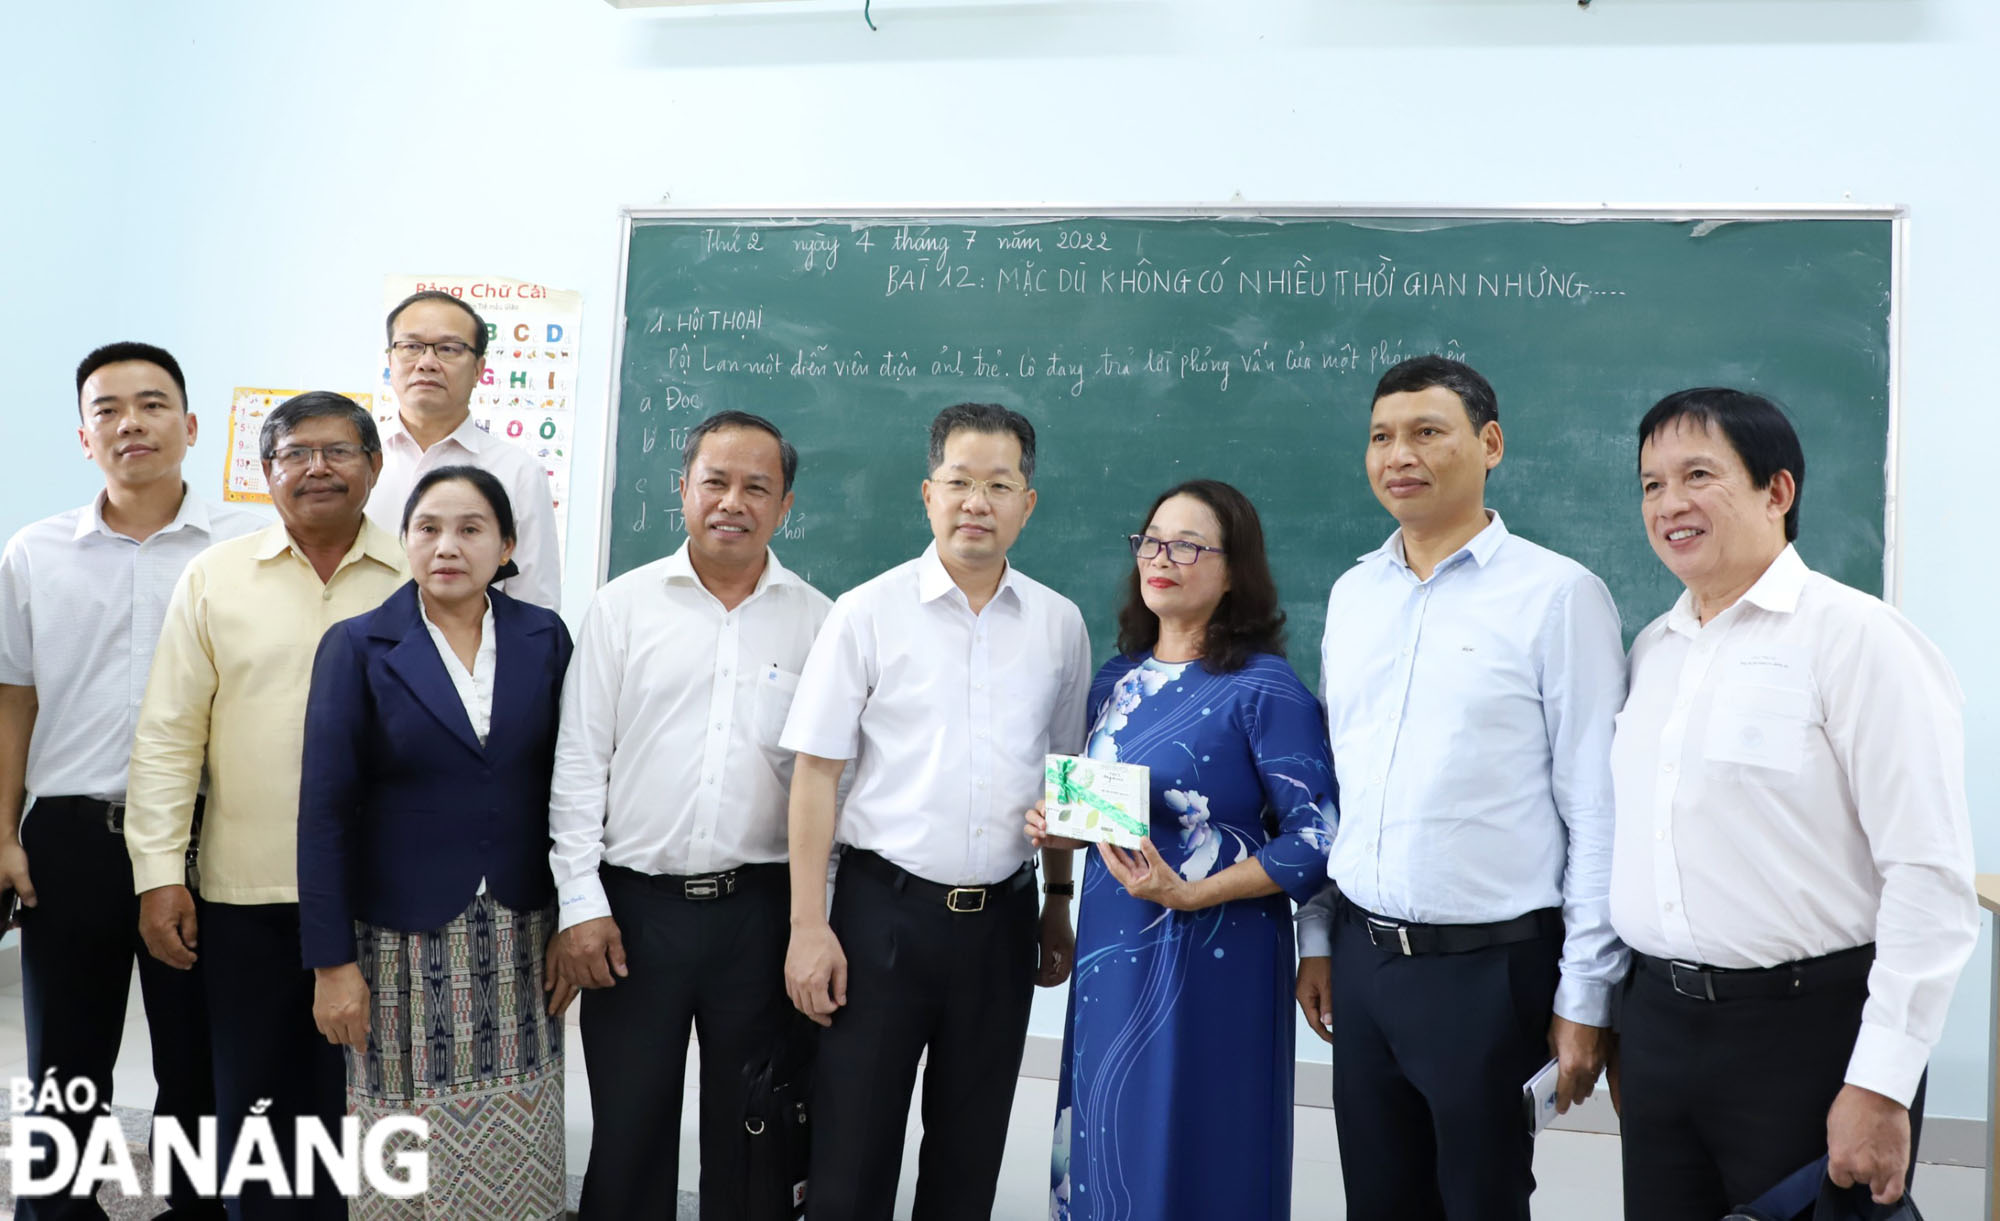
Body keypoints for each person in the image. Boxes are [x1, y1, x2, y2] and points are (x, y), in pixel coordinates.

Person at [1610, 387, 1977, 1216]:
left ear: (1778, 491)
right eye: (1650, 483)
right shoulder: (1652, 651)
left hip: (1806, 1038)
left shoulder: (1860, 640)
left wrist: (1880, 1082)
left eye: (1697, 474)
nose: (1670, 504)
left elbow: (1929, 877)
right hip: (1662, 1028)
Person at [1295, 356, 1627, 1221]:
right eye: (1380, 436)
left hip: (1490, 970)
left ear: (1490, 444)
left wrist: (1584, 996)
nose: (1398, 453)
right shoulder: (1353, 593)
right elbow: (1342, 785)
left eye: (1426, 431)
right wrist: (1319, 935)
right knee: (1377, 1199)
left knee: (1480, 1201)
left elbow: (1598, 809)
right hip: (1365, 965)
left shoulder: (1559, 596)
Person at [780, 402, 1091, 1221]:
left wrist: (1058, 901)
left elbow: (1061, 785)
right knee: (851, 1152)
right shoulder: (867, 611)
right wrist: (808, 927)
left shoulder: (1059, 624)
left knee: (970, 1149)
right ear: (928, 494)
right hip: (883, 916)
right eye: (959, 481)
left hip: (1001, 921)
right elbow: (814, 774)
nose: (976, 502)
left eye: (999, 484)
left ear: (1029, 502)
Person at [126, 391, 408, 1221]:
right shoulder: (215, 577)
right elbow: (170, 734)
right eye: (295, 453)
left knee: (366, 1119)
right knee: (254, 1110)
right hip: (245, 895)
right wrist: (156, 872)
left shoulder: (420, 573)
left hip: (383, 900)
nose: (317, 468)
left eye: (338, 451)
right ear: (265, 472)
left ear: (374, 466)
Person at [0, 342, 262, 1221]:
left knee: (198, 1061)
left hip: (204, 835)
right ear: (84, 436)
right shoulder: (33, 553)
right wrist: (4, 832)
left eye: (152, 405)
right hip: (72, 837)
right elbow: (13, 703)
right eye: (107, 409)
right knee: (64, 1069)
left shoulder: (248, 548)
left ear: (190, 426)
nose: (130, 423)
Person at [547, 411, 831, 1219]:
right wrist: (581, 902)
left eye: (756, 486)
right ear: (683, 490)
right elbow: (577, 768)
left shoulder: (818, 622)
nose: (731, 501)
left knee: (755, 1133)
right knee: (629, 1132)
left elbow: (827, 789)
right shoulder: (622, 607)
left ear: (785, 505)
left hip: (760, 913)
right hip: (633, 915)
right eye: (715, 481)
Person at [1027, 479, 1335, 1221]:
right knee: (1106, 1142)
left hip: (1214, 958)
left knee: (1206, 1149)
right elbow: (1105, 815)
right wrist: (1057, 828)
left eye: (1190, 544)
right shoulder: (1116, 679)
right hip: (1111, 954)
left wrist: (1194, 891)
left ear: (1235, 571)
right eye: (1153, 540)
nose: (1163, 557)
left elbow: (1318, 834)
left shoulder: (1266, 688)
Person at [298, 465, 576, 1220]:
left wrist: (575, 915)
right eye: (429, 528)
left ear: (507, 545)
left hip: (519, 932)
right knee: (400, 1148)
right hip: (398, 941)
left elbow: (570, 784)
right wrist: (331, 965)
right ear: (405, 540)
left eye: (471, 528)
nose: (447, 545)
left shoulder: (544, 638)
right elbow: (323, 814)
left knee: (520, 1132)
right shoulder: (357, 645)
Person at [366, 289, 563, 609]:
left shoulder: (518, 472)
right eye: (411, 347)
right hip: (358, 654)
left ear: (479, 370)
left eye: (448, 349)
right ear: (390, 360)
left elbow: (535, 607)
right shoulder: (352, 459)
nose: (427, 363)